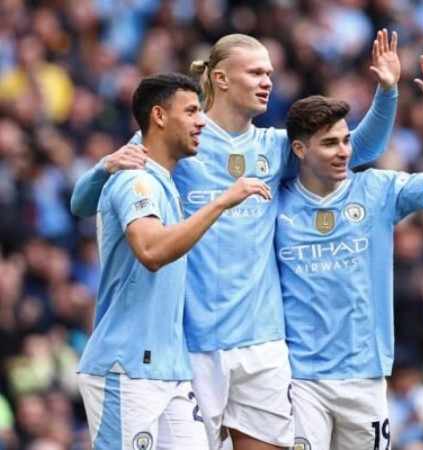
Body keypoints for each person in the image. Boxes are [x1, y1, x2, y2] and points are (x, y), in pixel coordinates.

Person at [70, 29, 401, 450]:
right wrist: (103, 167)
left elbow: (359, 149)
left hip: (262, 340)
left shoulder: (275, 147)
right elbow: (83, 203)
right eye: (257, 72)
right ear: (222, 78)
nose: (268, 82)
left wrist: (387, 91)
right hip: (192, 341)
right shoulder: (181, 137)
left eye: (271, 73)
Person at [276, 38, 423, 450]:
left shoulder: (377, 190)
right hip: (298, 379)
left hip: (364, 378)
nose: (343, 152)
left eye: (346, 141)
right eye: (329, 143)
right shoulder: (272, 203)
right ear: (299, 149)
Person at [77, 73, 271, 449]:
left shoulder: (164, 179)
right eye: (192, 111)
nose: (201, 120)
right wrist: (221, 202)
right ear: (160, 117)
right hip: (126, 369)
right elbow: (151, 252)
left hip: (171, 370)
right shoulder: (136, 180)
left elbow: (80, 204)